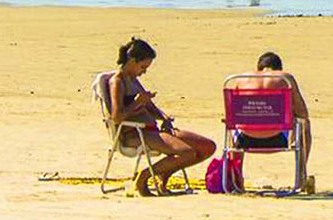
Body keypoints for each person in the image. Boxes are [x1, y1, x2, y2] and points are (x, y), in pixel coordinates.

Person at [108, 38, 216, 196]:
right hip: (136, 134)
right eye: (143, 66)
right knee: (187, 152)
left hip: (153, 130)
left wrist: (164, 118)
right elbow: (117, 117)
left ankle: (164, 173)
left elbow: (151, 108)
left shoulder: (134, 81)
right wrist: (137, 103)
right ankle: (143, 177)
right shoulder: (117, 82)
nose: (144, 71)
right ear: (132, 61)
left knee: (207, 147)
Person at [227, 51, 312, 176]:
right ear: (278, 68)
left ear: (259, 68)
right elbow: (303, 113)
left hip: (244, 140)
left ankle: (236, 177)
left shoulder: (241, 79)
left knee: (231, 126)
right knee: (305, 125)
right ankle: (301, 174)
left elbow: (231, 114)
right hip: (278, 138)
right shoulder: (284, 78)